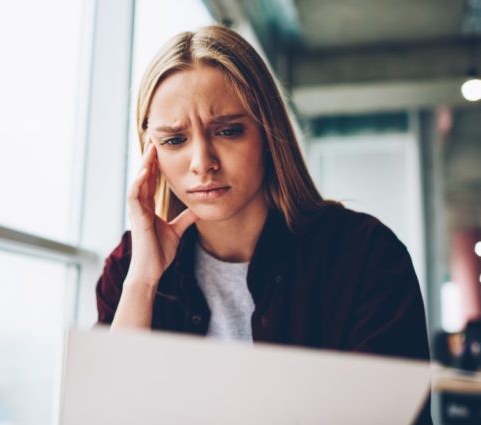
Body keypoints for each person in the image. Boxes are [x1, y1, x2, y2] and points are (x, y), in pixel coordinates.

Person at [95, 25, 432, 423]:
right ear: (150, 153)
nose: (202, 162)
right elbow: (106, 413)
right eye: (174, 140)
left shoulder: (366, 255)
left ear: (269, 134)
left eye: (228, 131)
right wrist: (143, 283)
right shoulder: (130, 266)